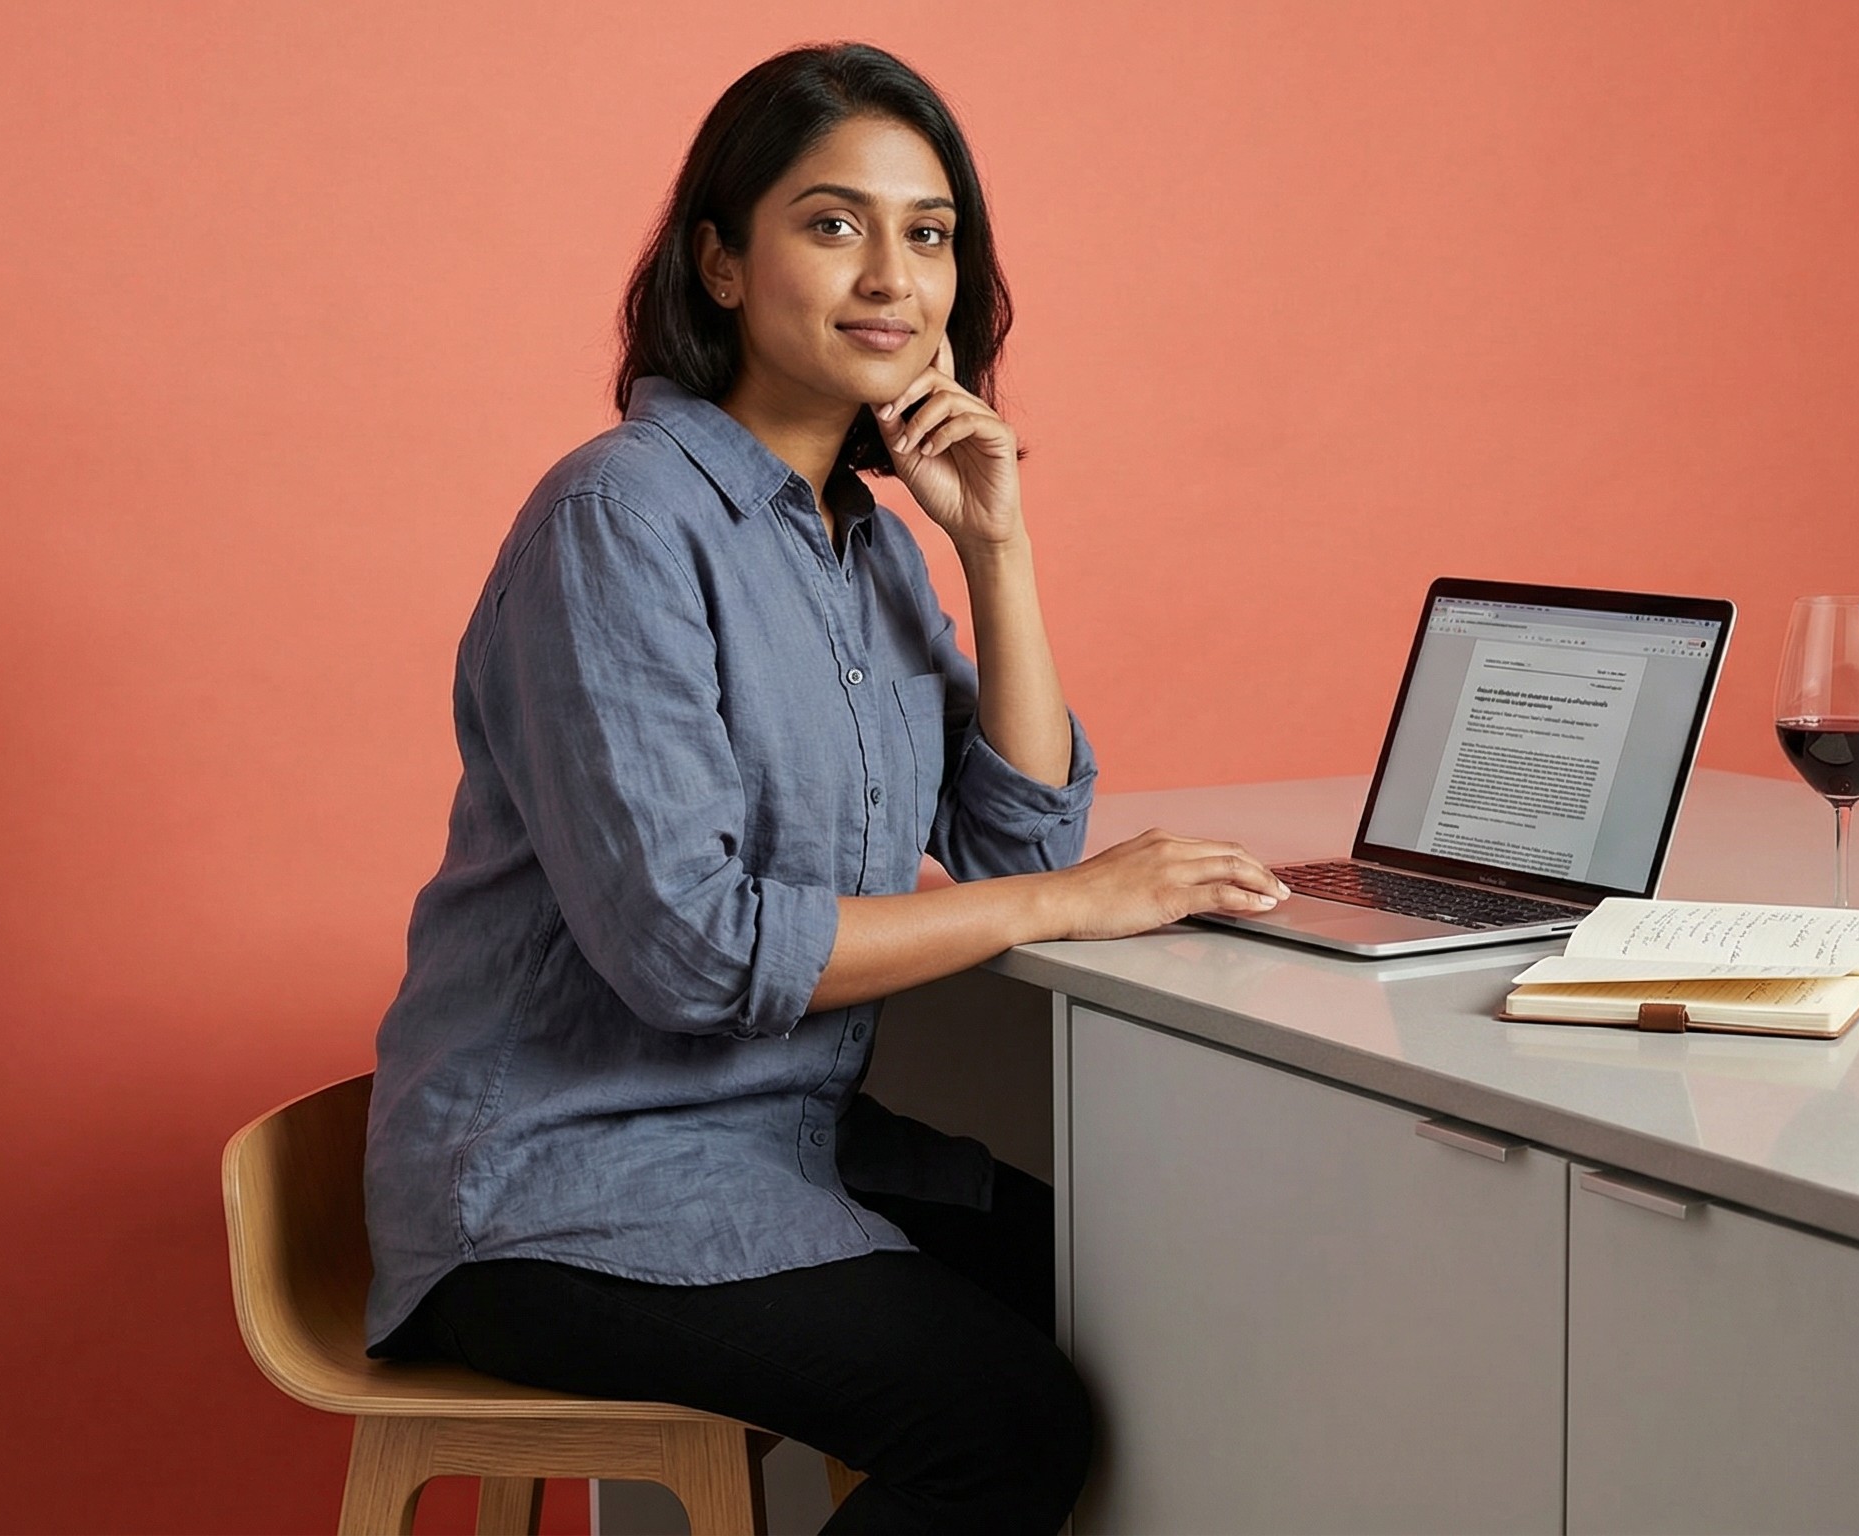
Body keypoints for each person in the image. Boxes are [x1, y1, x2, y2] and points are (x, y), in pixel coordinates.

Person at [364, 42, 1287, 1534]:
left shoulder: (856, 539)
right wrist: (1065, 901)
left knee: (1145, 1281)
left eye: (928, 234)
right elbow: (697, 952)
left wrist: (996, 545)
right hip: (556, 1190)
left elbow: (1011, 825)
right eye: (832, 222)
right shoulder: (621, 519)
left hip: (769, 1145)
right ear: (721, 263)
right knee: (1003, 1422)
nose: (892, 277)